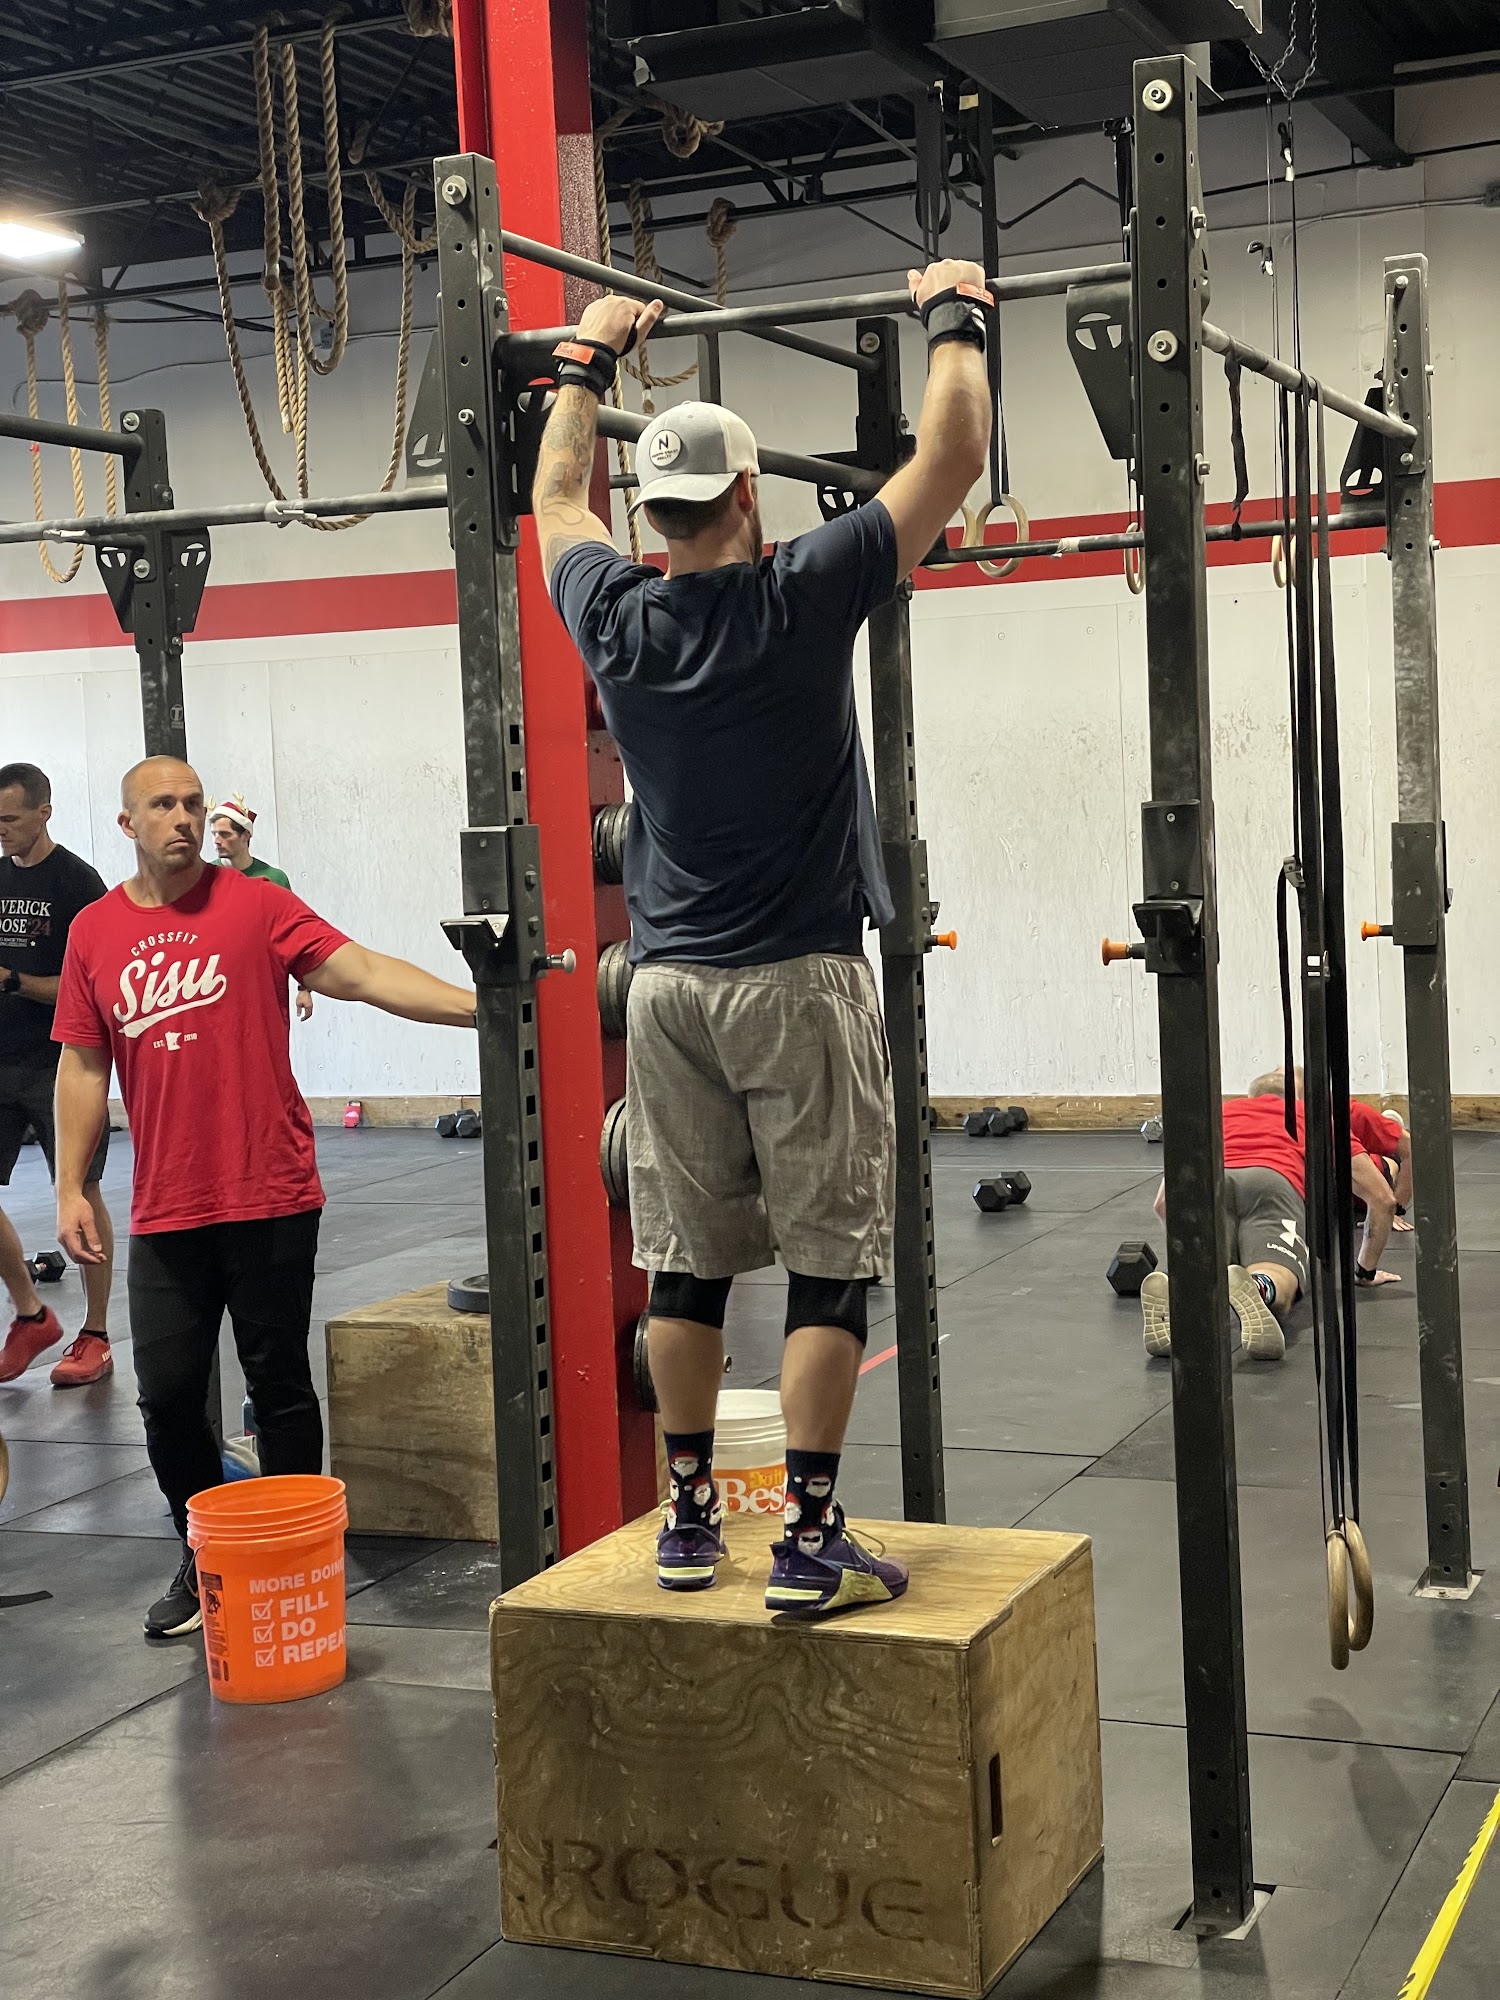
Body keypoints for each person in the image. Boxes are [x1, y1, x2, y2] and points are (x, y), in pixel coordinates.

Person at [533, 260, 992, 1616]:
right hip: (797, 979)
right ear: (746, 493)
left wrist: (583, 359)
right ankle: (805, 1539)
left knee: (684, 1261)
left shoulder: (612, 614)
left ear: (652, 513)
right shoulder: (802, 593)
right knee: (829, 1263)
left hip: (665, 987)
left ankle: (687, 1520)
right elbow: (953, 455)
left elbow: (554, 497)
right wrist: (953, 312)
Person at [52, 756, 478, 1640]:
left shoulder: (257, 904)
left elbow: (361, 971)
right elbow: (83, 1065)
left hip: (270, 1190)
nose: (183, 818)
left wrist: (482, 1008)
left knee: (278, 1383)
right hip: (166, 1203)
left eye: (192, 804)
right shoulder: (94, 930)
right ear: (127, 824)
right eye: (162, 806)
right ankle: (205, 1551)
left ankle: (293, 1558)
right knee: (168, 1395)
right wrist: (67, 1185)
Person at [1142, 1071, 1400, 1363]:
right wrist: (1365, 1272)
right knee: (1277, 1274)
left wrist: (1187, 1244)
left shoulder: (1219, 1113)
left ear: (1250, 1095)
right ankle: (1257, 1286)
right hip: (1272, 1182)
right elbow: (1383, 1199)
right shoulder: (1310, 1116)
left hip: (1209, 1182)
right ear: (1297, 1099)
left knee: (1205, 1269)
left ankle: (1176, 1292)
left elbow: (1162, 1203)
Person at [0, 762, 115, 1388]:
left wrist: (14, 981)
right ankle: (31, 1315)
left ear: (44, 812)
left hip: (59, 1063)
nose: (1, 831)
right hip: (0, 1058)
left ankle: (96, 1333)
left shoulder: (78, 884)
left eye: (11, 819)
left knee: (80, 1192)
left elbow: (89, 986)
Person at [210, 794, 312, 1022]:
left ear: (245, 835)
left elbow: (295, 935)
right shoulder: (205, 878)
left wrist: (304, 987)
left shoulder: (273, 879)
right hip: (216, 984)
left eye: (225, 834)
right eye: (214, 834)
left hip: (263, 983)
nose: (217, 841)